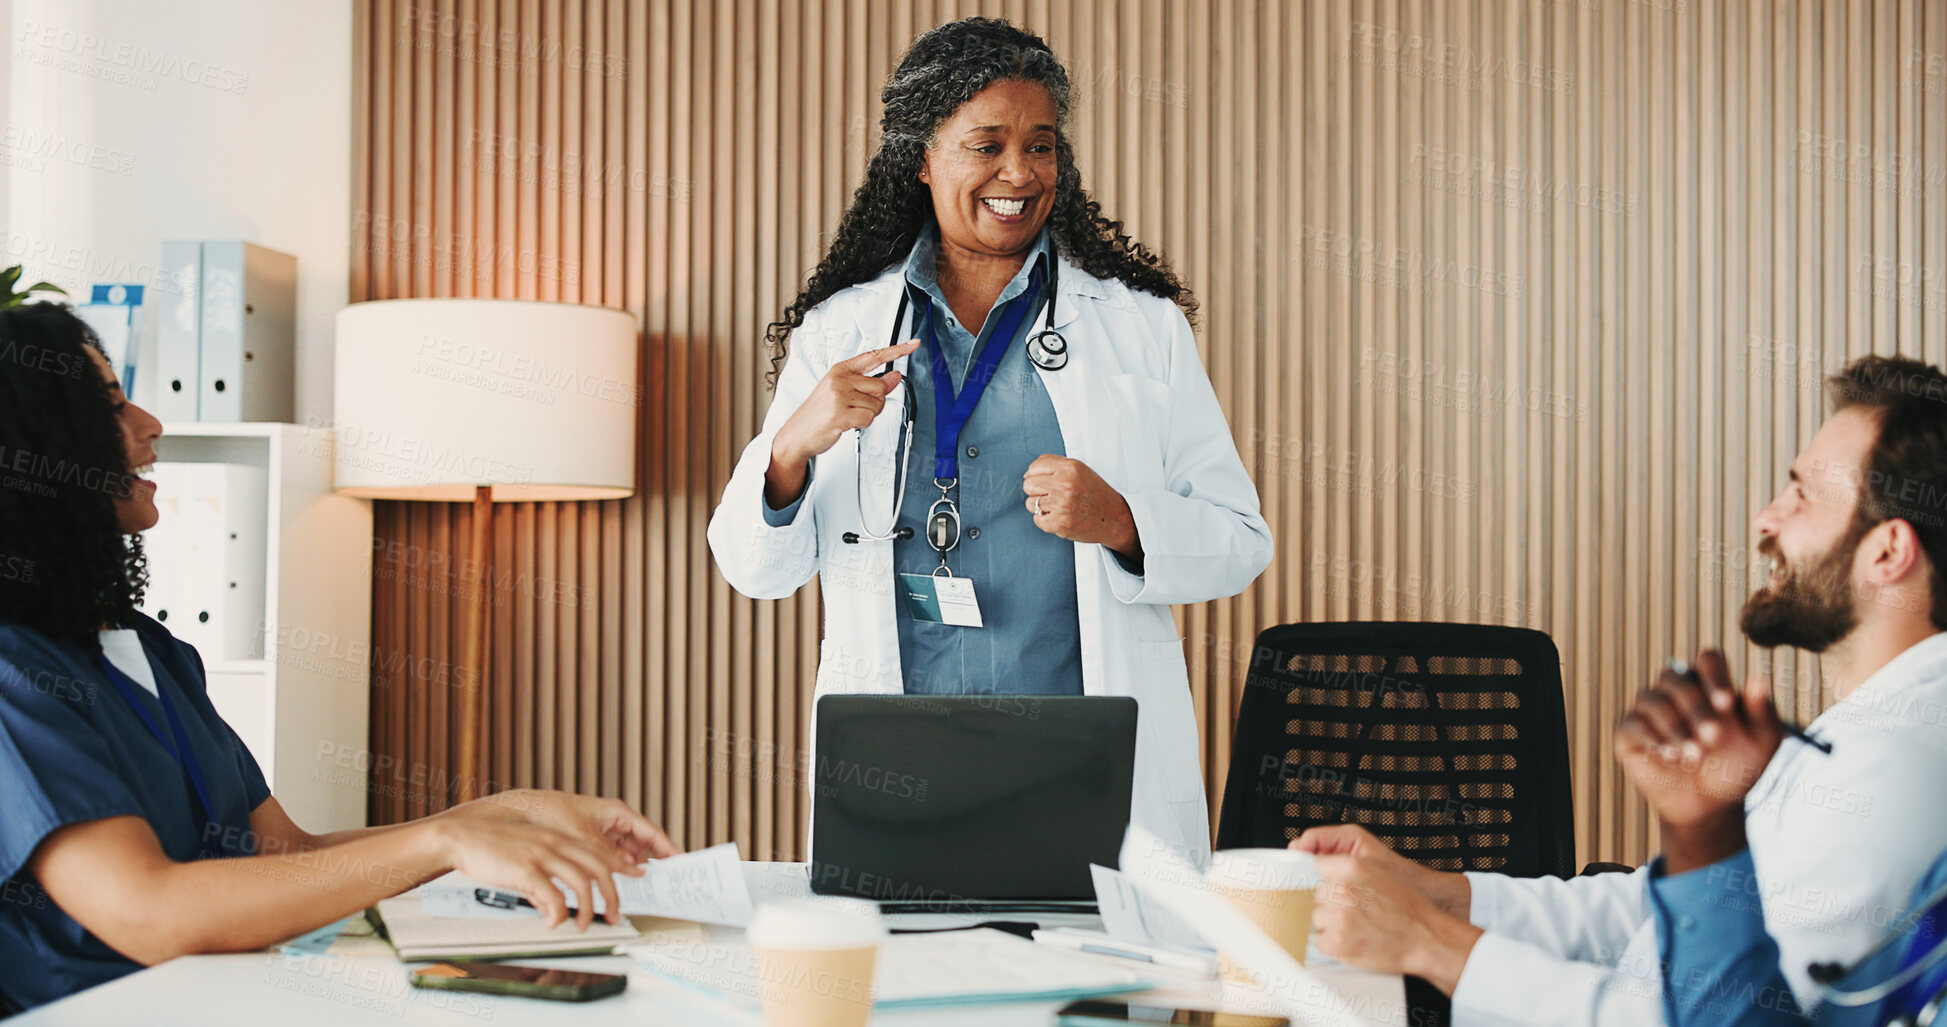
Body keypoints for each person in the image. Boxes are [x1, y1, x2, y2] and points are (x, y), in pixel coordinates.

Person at [0, 302, 678, 1013]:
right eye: (111, 406)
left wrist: (509, 814)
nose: (150, 424)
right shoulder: (18, 676)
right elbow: (151, 911)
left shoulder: (155, 651)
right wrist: (445, 841)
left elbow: (287, 855)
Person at [705, 17, 1271, 864]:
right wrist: (792, 447)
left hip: (1082, 758)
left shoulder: (1138, 326)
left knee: (1090, 952)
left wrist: (1121, 520)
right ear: (922, 158)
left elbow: (1239, 540)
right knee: (910, 951)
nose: (1020, 172)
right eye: (987, 145)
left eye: (1040, 146)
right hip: (899, 757)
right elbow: (753, 569)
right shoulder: (841, 330)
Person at [1287, 354, 1947, 1026]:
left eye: (1801, 495)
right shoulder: (1875, 731)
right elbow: (1660, 917)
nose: (1765, 520)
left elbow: (1716, 1014)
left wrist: (1429, 943)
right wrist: (1434, 894)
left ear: (1888, 552)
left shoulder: (1893, 770)